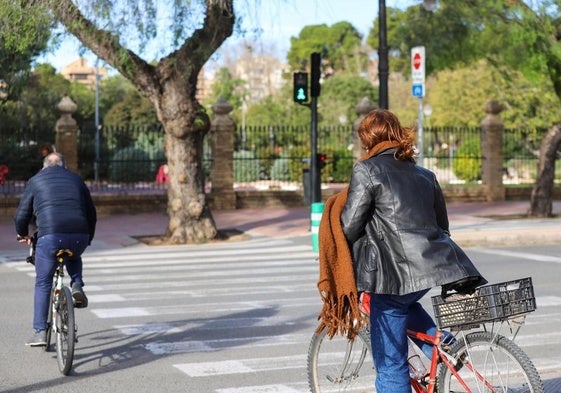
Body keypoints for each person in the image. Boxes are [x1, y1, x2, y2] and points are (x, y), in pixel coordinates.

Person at [338, 109, 485, 392]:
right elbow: (442, 224)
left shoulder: (366, 170)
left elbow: (350, 225)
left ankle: (436, 357)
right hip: (434, 268)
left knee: (390, 364)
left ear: (368, 140)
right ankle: (445, 348)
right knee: (407, 303)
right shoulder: (424, 174)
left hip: (396, 275)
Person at [14, 152, 97, 347]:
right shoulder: (77, 180)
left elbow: (22, 214)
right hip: (79, 235)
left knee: (43, 282)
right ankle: (77, 284)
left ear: (43, 167)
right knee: (73, 253)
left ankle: (40, 331)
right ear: (64, 167)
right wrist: (88, 238)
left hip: (50, 236)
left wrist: (22, 233)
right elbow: (91, 214)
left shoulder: (36, 180)